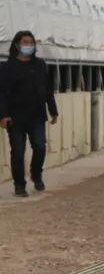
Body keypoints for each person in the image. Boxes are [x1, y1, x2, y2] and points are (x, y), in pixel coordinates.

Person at [0, 31, 59, 197]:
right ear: (17, 45)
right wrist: (3, 115)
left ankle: (36, 173)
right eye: (25, 42)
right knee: (18, 151)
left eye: (31, 43)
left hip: (37, 115)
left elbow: (48, 90)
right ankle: (19, 184)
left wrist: (53, 110)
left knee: (40, 147)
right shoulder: (7, 67)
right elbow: (1, 93)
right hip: (15, 117)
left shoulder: (40, 65)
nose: (29, 46)